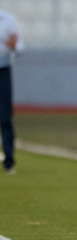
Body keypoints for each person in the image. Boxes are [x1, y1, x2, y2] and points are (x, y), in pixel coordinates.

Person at [0, 9, 23, 174]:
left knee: (5, 117)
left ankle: (9, 161)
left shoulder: (7, 19)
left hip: (3, 70)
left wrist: (14, 46)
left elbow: (20, 46)